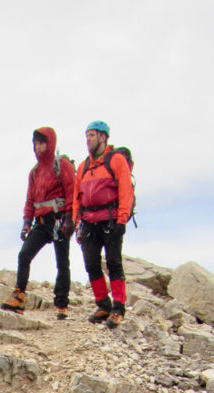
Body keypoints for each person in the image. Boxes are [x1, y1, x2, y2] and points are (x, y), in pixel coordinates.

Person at [1, 128, 75, 320]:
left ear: (50, 144)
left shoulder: (62, 165)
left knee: (62, 262)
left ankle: (61, 304)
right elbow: (30, 200)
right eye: (35, 143)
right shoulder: (34, 172)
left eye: (41, 143)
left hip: (58, 221)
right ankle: (19, 296)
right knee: (24, 254)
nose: (38, 147)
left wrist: (69, 219)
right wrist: (27, 222)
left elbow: (72, 192)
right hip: (41, 222)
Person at [72, 120, 134, 329]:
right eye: (86, 135)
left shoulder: (115, 160)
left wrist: (122, 219)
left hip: (111, 220)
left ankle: (118, 308)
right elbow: (77, 196)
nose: (88, 139)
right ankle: (103, 304)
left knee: (114, 263)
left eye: (92, 135)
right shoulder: (83, 166)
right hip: (89, 222)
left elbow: (126, 189)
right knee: (91, 264)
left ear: (103, 137)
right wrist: (75, 221)